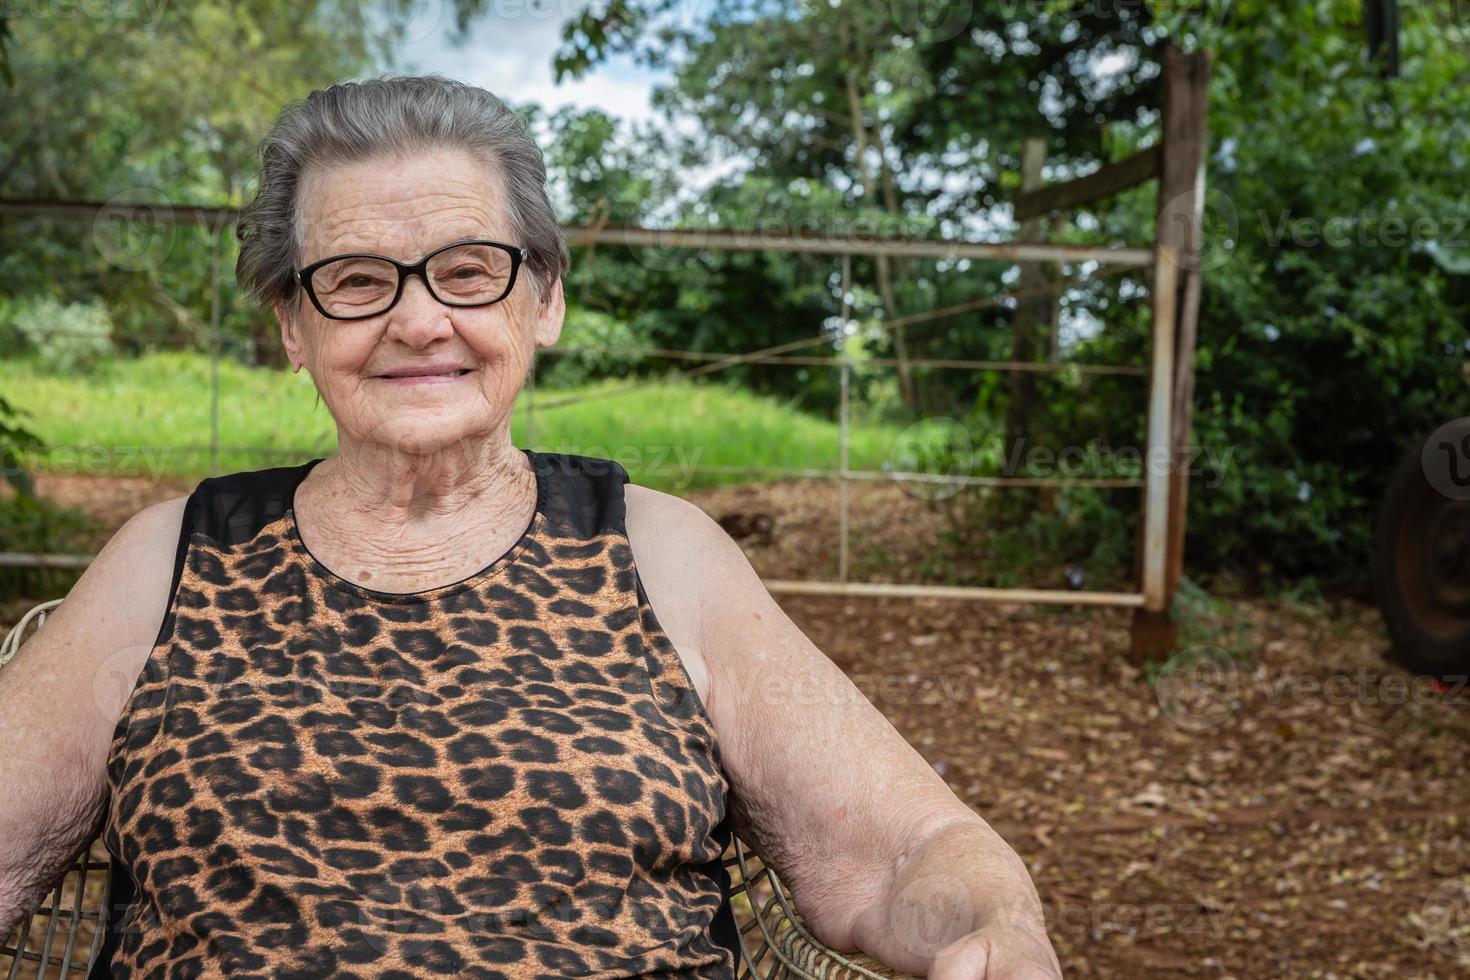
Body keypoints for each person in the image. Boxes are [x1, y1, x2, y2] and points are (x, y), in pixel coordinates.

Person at [0, 75, 1061, 979]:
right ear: (292, 324)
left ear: (542, 297)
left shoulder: (661, 552)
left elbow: (908, 848)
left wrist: (991, 921)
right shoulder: (170, 559)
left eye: (468, 271)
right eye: (357, 281)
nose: (419, 321)